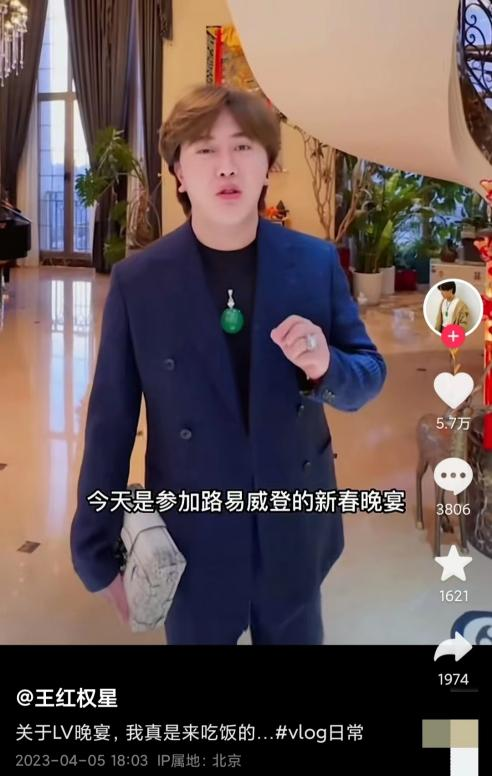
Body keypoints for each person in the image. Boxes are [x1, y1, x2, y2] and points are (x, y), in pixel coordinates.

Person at [70, 84, 387, 645]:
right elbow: (111, 425)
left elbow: (367, 376)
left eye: (242, 147)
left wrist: (326, 365)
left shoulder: (314, 263)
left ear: (267, 165)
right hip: (193, 536)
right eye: (204, 150)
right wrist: (96, 553)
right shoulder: (139, 282)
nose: (226, 167)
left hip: (295, 526)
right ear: (179, 173)